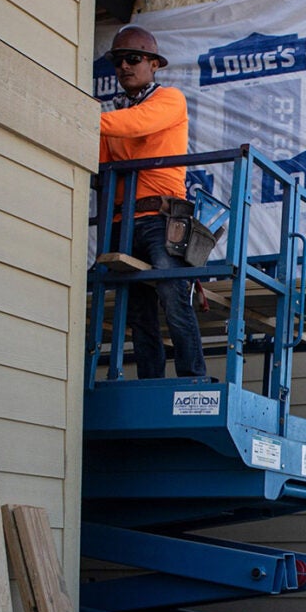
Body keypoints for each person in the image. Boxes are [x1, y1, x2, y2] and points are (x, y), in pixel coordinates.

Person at [98, 25, 205, 379]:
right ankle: (150, 380)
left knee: (174, 298)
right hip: (123, 222)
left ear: (154, 64)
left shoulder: (169, 100)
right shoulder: (112, 117)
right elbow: (100, 164)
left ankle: (192, 378)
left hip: (160, 219)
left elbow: (137, 124)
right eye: (118, 61)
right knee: (137, 311)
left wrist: (83, 118)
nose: (124, 67)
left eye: (133, 59)